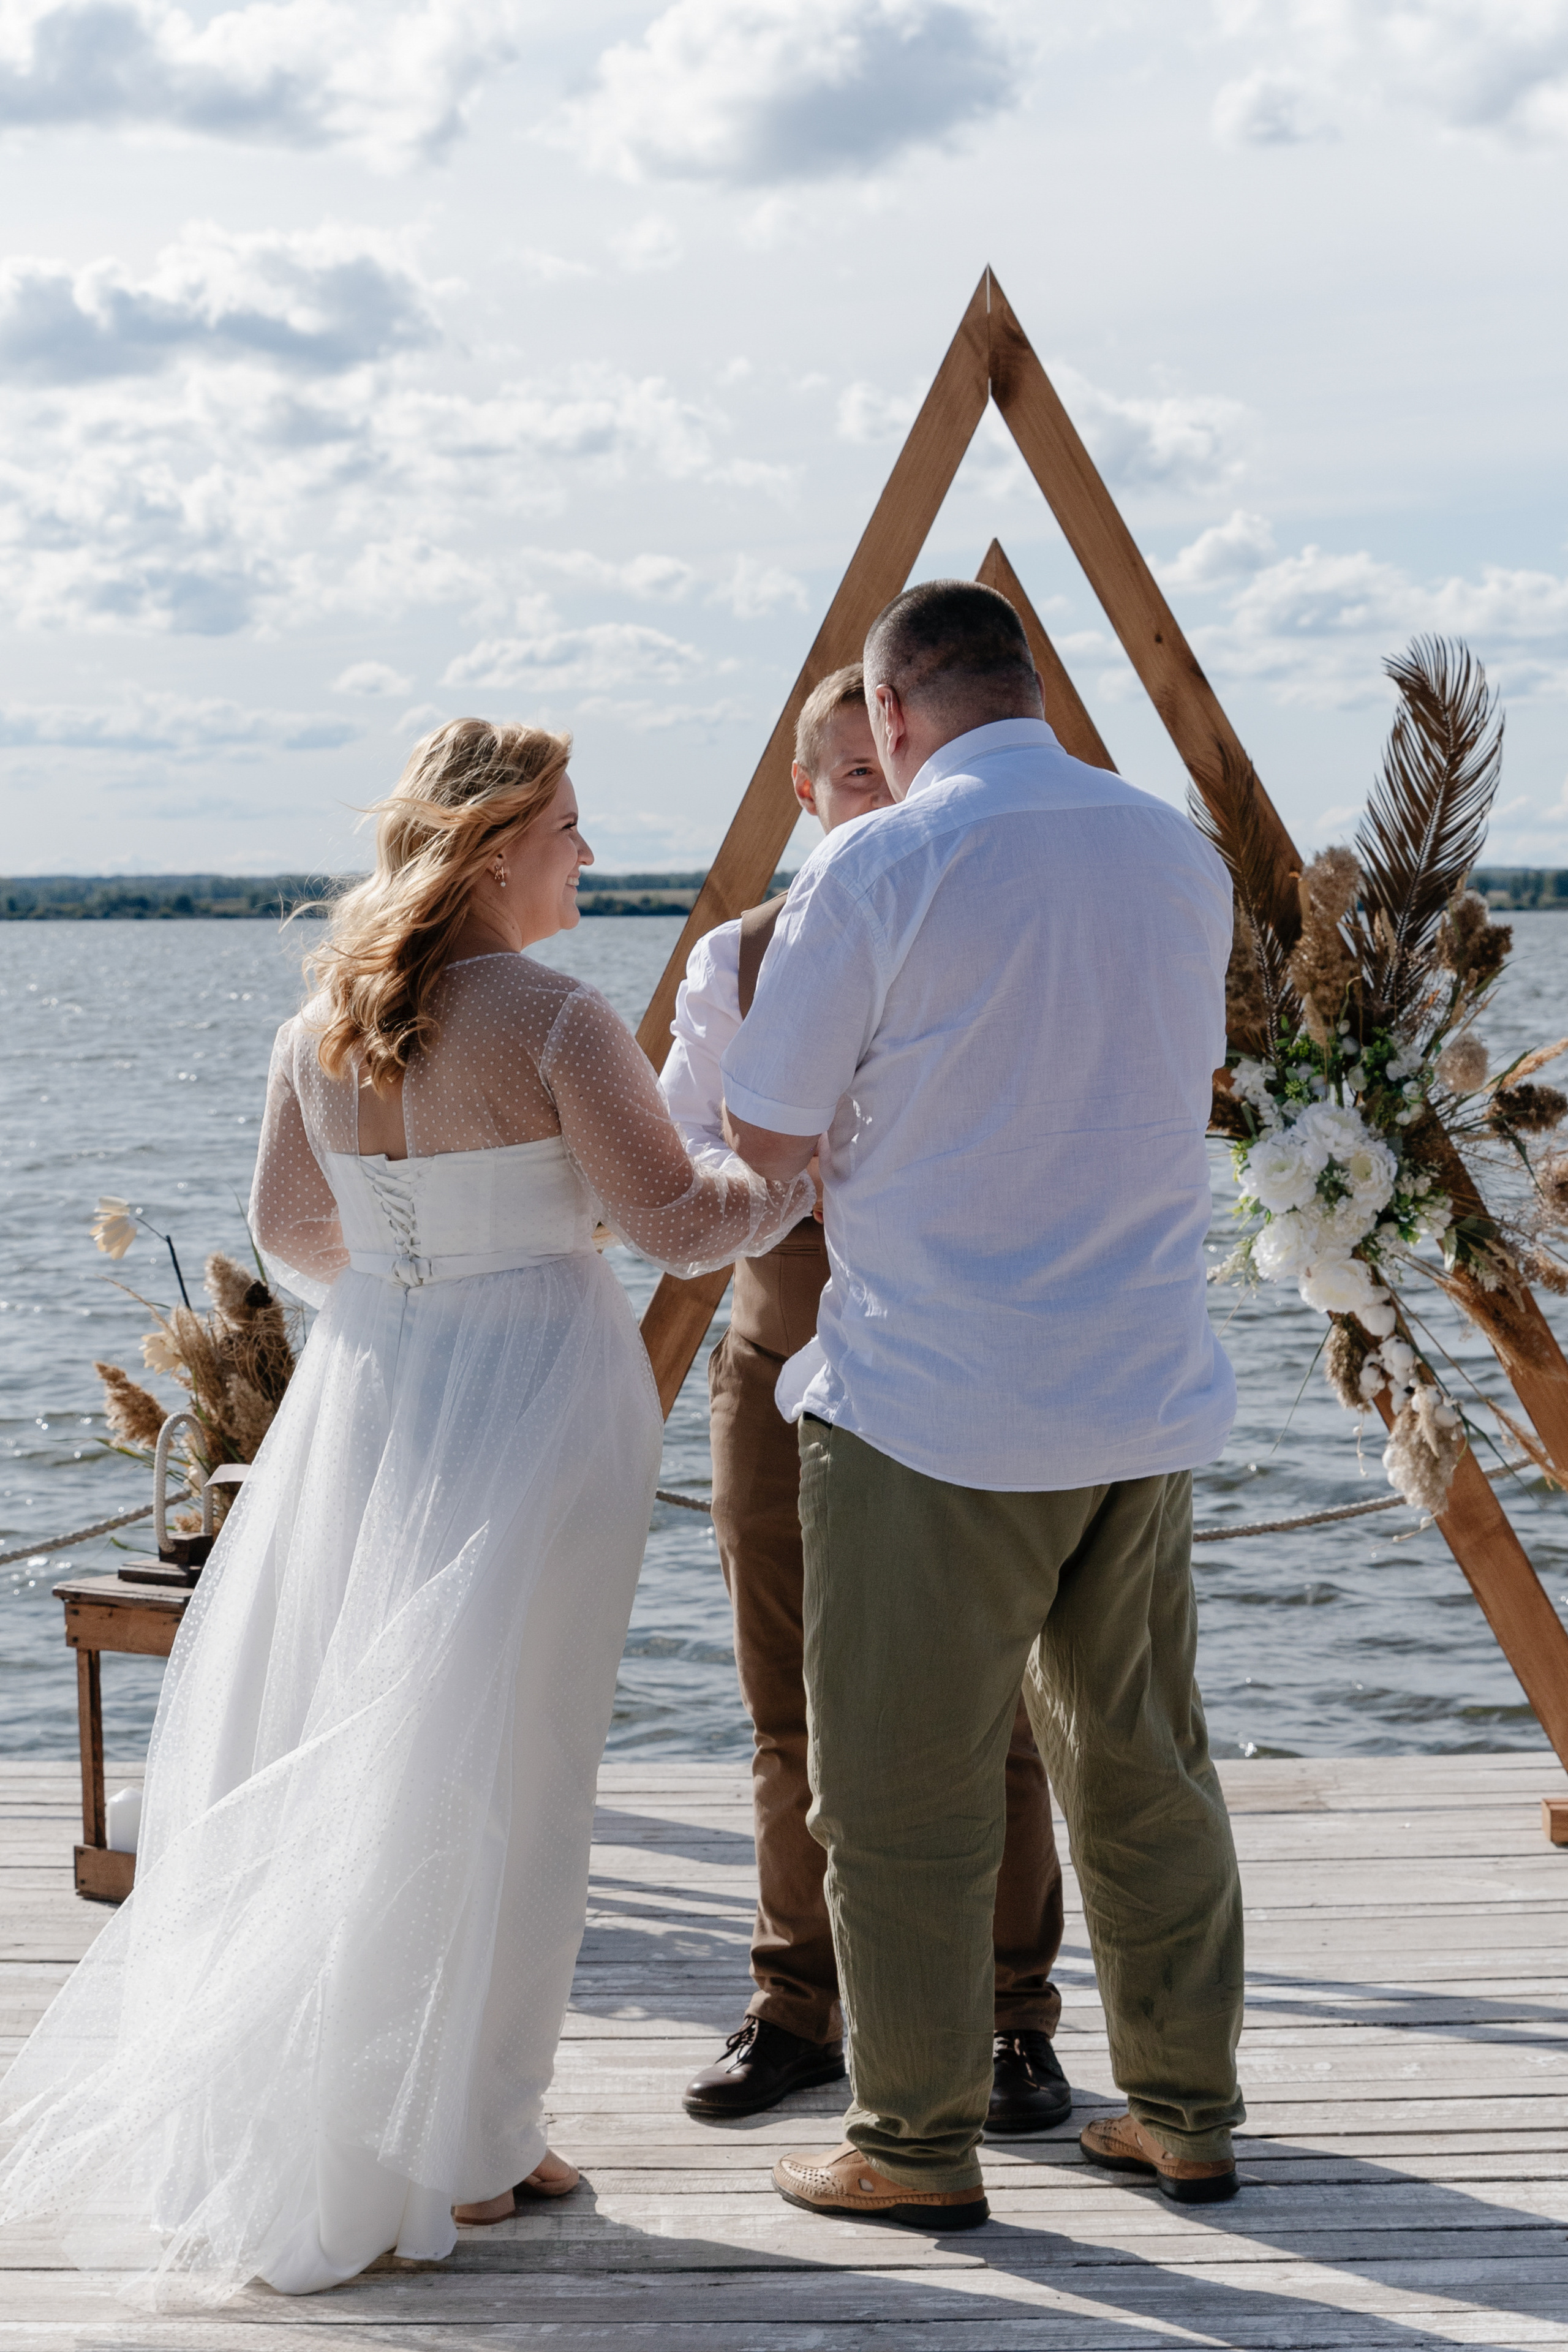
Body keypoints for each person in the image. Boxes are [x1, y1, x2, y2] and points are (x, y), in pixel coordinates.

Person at [0, 720, 813, 2299]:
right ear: (498, 842)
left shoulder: (327, 1016)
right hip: (535, 1388)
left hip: (378, 1390)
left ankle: (396, 2115)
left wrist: (414, 1289)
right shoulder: (562, 1019)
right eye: (570, 825)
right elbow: (673, 1226)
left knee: (378, 1736)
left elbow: (289, 1227)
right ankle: (479, 2142)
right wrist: (792, 1171)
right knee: (517, 1757)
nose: (589, 850)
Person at [720, 580, 1245, 2231]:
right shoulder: (1176, 852)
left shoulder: (875, 862)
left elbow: (764, 1122)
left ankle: (914, 2140)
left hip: (933, 1400)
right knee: (1146, 1768)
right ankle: (1186, 2110)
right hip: (1143, 1392)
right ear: (1033, 688)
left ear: (889, 717)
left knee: (896, 1787)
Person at [662, 663, 1071, 2135]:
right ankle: (797, 2004)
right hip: (784, 1351)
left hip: (962, 1360)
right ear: (803, 794)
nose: (881, 804)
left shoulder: (994, 944)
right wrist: (803, 1177)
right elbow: (699, 1157)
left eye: (893, 775)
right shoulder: (739, 957)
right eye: (849, 780)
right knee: (788, 1710)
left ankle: (1012, 2018)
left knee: (1004, 1710)